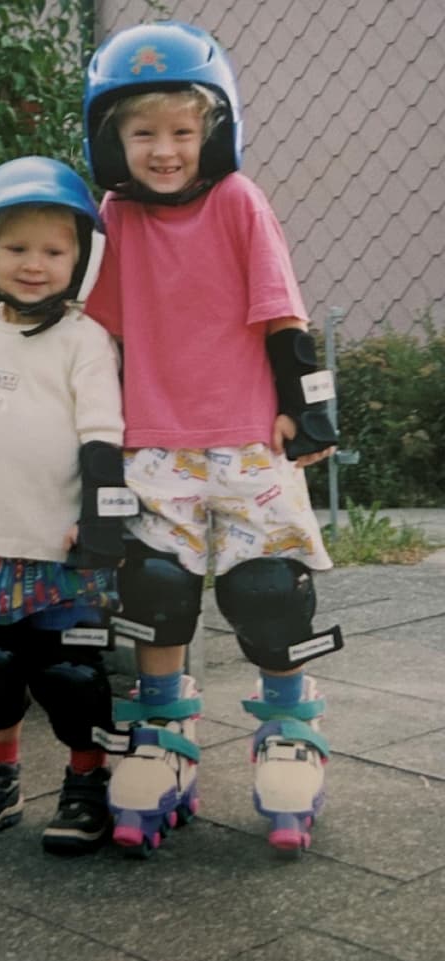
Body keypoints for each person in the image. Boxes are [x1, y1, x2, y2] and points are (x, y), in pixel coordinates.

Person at [82, 21, 343, 859]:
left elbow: (282, 309)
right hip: (153, 442)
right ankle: (162, 736)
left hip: (245, 440)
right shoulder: (114, 216)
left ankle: (289, 731)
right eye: (143, 133)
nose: (164, 150)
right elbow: (100, 339)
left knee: (269, 590)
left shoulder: (238, 201)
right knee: (155, 590)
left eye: (183, 132)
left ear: (215, 132)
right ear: (112, 139)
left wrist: (307, 404)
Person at [0, 155, 137, 856]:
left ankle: (87, 778)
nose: (34, 264)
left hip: (64, 542)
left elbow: (103, 436)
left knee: (68, 672)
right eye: (15, 247)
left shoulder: (86, 340)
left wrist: (104, 522)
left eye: (54, 250)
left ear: (82, 258)